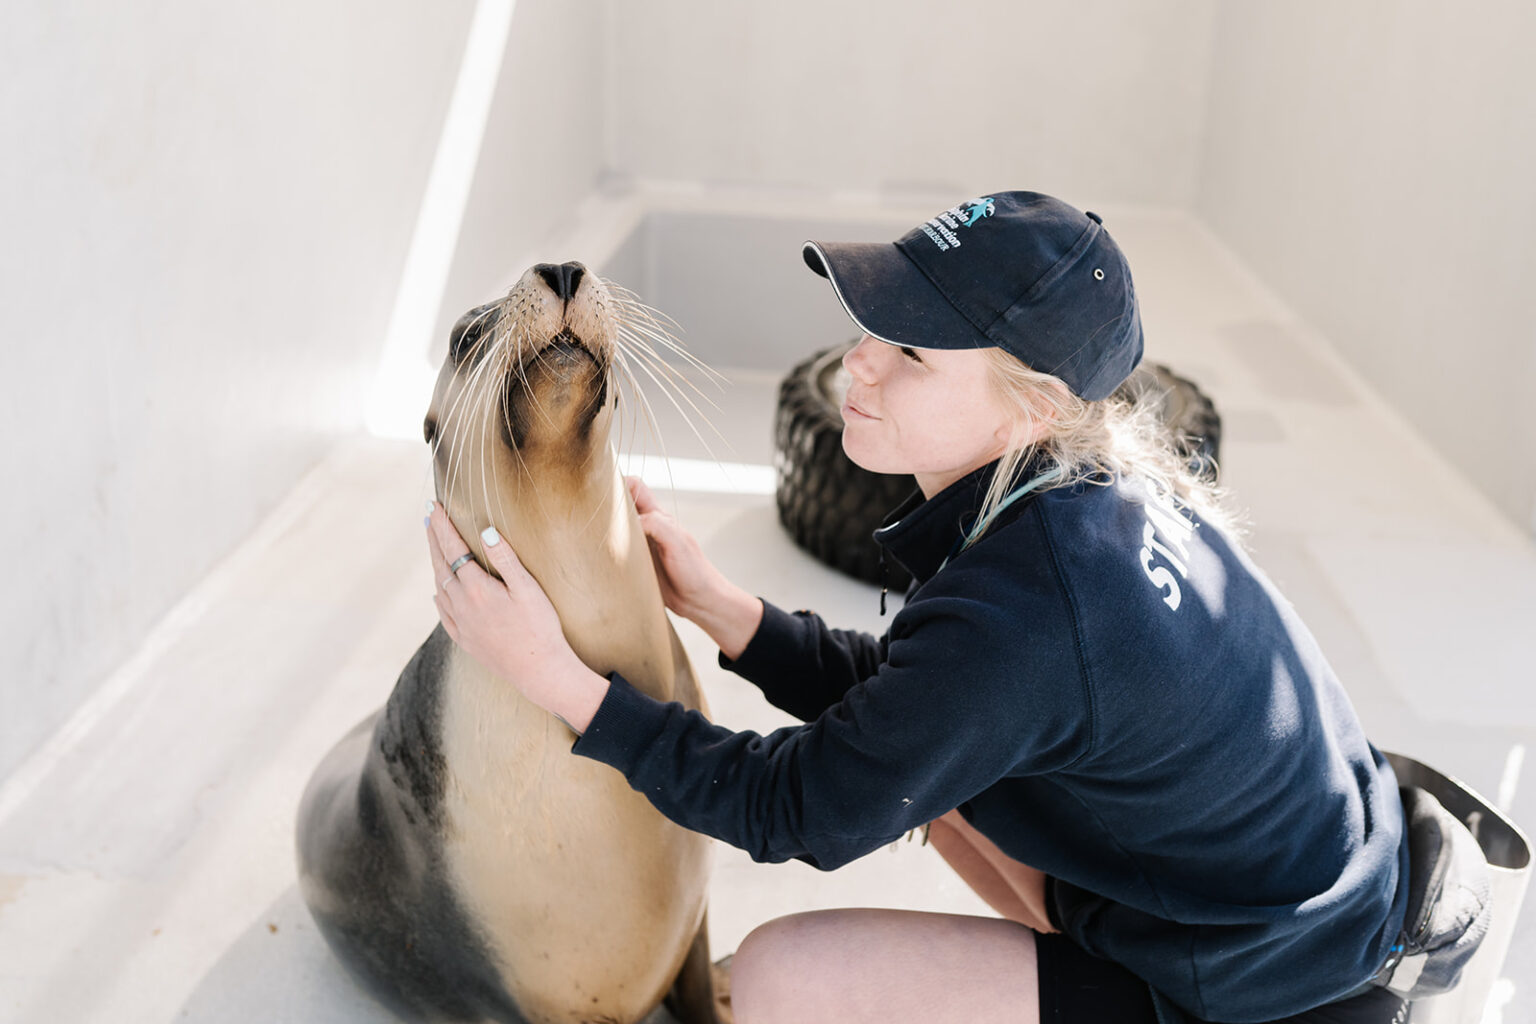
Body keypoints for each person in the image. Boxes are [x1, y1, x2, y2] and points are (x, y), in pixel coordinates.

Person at [425, 191, 1412, 1024]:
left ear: (1032, 406)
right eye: (873, 326)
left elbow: (797, 806)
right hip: (1297, 897)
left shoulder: (1032, 606)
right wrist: (732, 614)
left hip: (1285, 993)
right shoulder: (1075, 498)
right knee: (939, 781)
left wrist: (558, 680)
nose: (857, 362)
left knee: (780, 980)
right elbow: (921, 707)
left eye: (913, 353)